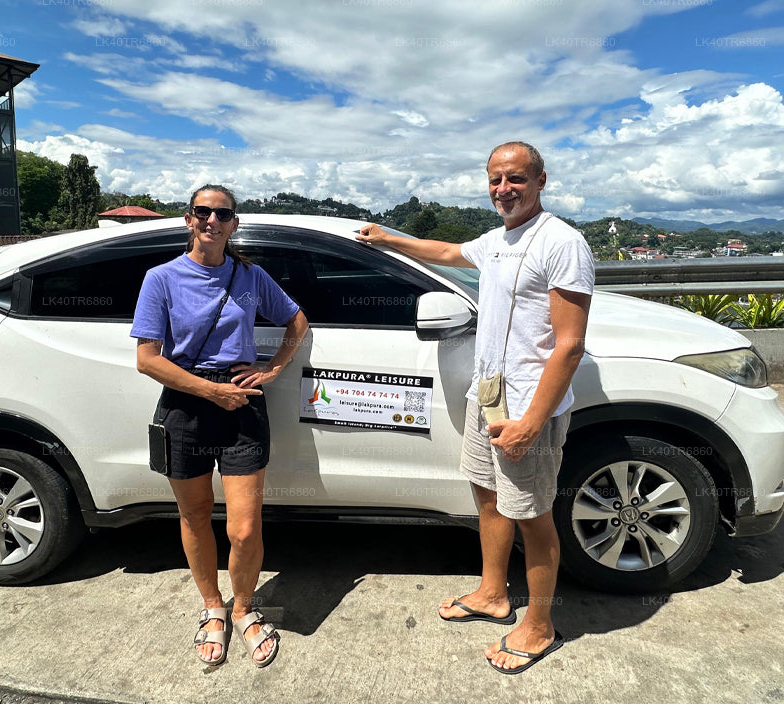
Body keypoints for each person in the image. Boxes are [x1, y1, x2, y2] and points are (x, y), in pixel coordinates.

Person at [357, 142, 593, 674]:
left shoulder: (561, 242)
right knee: (487, 498)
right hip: (489, 394)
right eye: (494, 180)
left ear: (540, 180)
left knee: (532, 516)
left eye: (514, 179)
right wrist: (389, 238)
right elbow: (447, 253)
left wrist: (532, 423)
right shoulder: (500, 239)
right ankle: (492, 593)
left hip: (527, 404)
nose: (503, 190)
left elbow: (570, 345)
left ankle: (538, 624)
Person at [133, 184, 309, 668]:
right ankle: (213, 607)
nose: (212, 220)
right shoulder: (161, 279)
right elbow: (147, 359)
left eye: (222, 213)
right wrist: (212, 391)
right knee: (193, 516)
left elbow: (297, 321)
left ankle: (245, 609)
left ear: (234, 224)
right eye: (203, 212)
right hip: (186, 405)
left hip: (243, 405)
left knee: (245, 528)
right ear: (189, 219)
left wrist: (272, 368)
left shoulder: (250, 276)